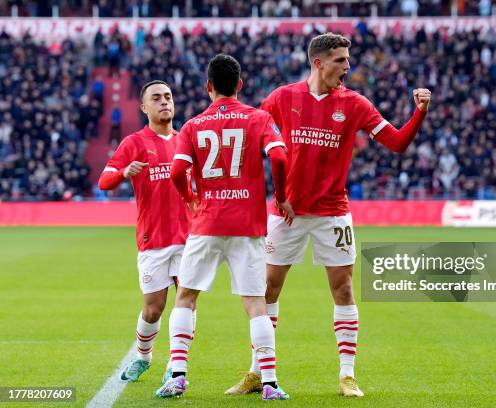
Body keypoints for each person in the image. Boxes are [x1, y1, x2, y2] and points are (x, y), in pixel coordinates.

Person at [227, 32, 431, 398]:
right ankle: (257, 372)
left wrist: (419, 113)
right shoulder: (281, 98)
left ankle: (347, 375)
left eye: (347, 60)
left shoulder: (355, 104)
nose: (347, 67)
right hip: (285, 213)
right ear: (319, 62)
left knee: (344, 288)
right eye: (340, 60)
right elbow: (252, 137)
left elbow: (397, 143)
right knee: (267, 289)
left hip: (332, 213)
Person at [156, 54, 294, 400]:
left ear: (208, 87)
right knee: (255, 303)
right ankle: (271, 383)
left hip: (207, 222)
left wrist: (190, 196)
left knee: (186, 296)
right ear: (241, 85)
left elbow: (176, 172)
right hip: (247, 224)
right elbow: (279, 155)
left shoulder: (192, 126)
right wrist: (280, 196)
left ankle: (177, 376)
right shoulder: (259, 117)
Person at [98, 80, 195, 383]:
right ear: (144, 107)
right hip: (152, 239)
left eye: (168, 96)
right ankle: (143, 356)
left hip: (189, 238)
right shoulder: (134, 143)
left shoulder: (187, 141)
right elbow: (104, 180)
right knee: (153, 309)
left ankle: (176, 366)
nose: (164, 102)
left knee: (187, 301)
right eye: (156, 98)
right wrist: (124, 172)